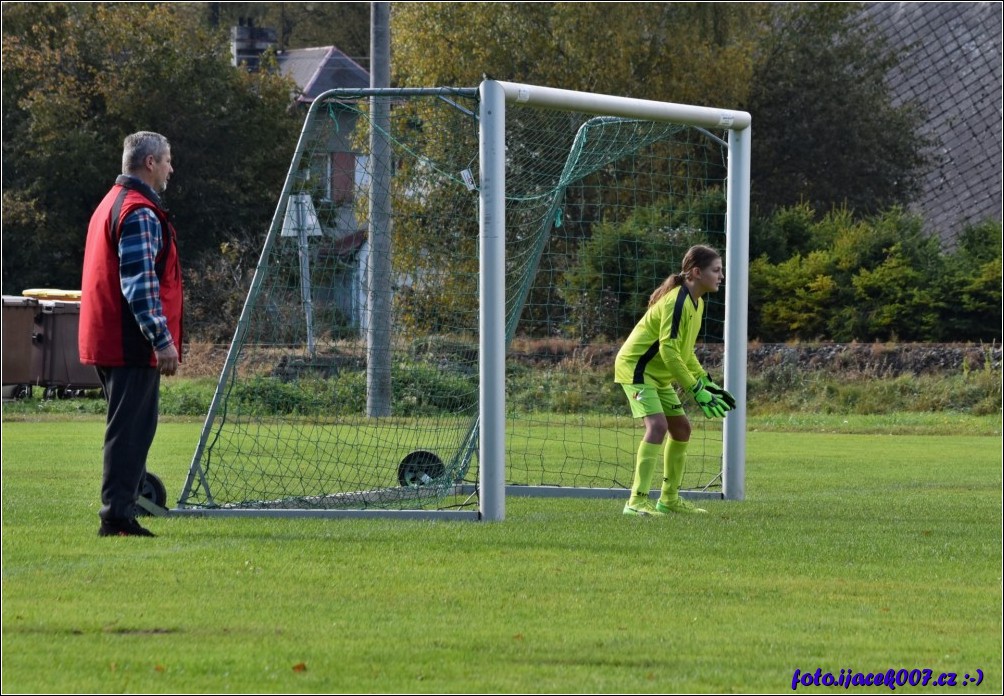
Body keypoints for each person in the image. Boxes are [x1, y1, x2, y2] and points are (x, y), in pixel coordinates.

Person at [79, 131, 183, 537]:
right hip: (129, 343)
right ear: (150, 163)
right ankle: (117, 518)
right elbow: (140, 284)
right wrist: (161, 339)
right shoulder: (139, 211)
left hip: (109, 338)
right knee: (130, 432)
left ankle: (126, 507)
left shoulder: (112, 202)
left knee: (131, 429)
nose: (172, 168)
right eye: (168, 160)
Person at [613, 244, 735, 516]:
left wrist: (706, 382)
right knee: (657, 426)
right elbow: (668, 350)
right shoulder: (677, 301)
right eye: (716, 270)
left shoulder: (697, 302)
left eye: (721, 270)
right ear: (695, 272)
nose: (721, 276)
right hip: (637, 369)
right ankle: (635, 502)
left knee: (681, 430)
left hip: (657, 375)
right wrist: (694, 389)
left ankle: (668, 500)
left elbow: (684, 352)